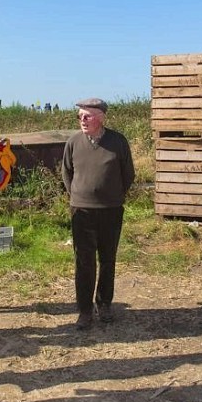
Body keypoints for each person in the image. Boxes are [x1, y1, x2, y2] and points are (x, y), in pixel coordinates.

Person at [61, 98, 135, 330]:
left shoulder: (118, 141)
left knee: (107, 260)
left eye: (88, 115)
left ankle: (104, 305)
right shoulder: (73, 142)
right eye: (80, 115)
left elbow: (128, 174)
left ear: (101, 117)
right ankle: (84, 311)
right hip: (82, 211)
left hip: (111, 211)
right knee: (83, 262)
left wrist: (111, 195)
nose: (82, 120)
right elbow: (67, 174)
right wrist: (80, 196)